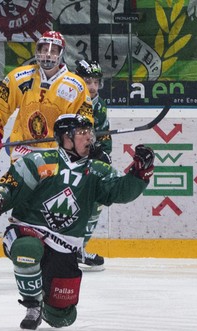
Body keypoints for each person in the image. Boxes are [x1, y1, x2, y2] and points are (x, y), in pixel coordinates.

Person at [0, 114, 154, 331]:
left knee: (62, 317)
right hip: (27, 231)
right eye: (82, 133)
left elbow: (120, 191)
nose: (89, 138)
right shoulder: (41, 161)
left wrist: (140, 173)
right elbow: (11, 185)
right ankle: (33, 305)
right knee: (27, 250)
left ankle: (44, 294)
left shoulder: (97, 170)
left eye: (89, 133)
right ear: (65, 138)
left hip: (64, 245)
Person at [0, 30, 94, 162]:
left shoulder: (76, 85)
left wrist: (82, 142)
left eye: (53, 51)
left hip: (58, 153)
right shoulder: (19, 77)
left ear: (60, 54)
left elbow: (85, 119)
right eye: (44, 50)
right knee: (10, 183)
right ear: (38, 51)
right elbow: (1, 104)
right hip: (22, 150)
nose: (48, 55)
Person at [73, 59, 112, 271]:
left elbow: (104, 137)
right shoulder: (66, 97)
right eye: (87, 81)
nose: (93, 87)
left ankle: (78, 249)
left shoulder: (100, 106)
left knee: (95, 201)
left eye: (96, 82)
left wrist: (104, 155)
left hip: (86, 161)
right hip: (65, 160)